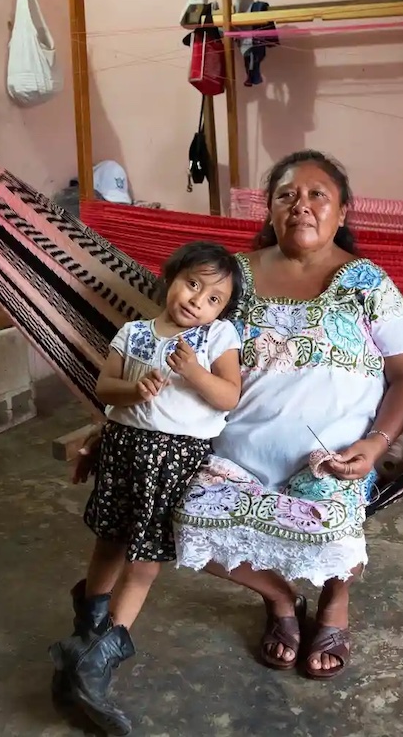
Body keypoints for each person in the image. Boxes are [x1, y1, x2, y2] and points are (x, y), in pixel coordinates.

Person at [65, 149, 403, 706]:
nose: (300, 205)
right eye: (286, 195)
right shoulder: (231, 276)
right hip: (226, 448)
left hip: (331, 455)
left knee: (332, 529)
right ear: (270, 209)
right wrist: (109, 427)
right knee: (173, 521)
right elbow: (162, 348)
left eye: (317, 195)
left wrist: (376, 444)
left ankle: (333, 601)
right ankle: (281, 599)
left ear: (343, 212)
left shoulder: (367, 283)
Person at [50, 240, 244, 736]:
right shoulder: (133, 333)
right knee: (110, 541)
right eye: (192, 284)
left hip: (174, 460)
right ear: (170, 277)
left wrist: (195, 372)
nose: (198, 300)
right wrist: (134, 390)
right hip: (124, 450)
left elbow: (229, 394)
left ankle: (99, 656)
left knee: (145, 560)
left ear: (222, 310)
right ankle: (86, 631)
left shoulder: (218, 337)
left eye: (213, 297)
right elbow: (105, 387)